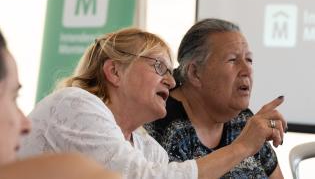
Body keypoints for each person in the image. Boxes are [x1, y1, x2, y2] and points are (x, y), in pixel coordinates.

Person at [19, 27, 286, 179]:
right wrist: (241, 147)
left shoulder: (144, 144)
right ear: (114, 72)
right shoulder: (76, 104)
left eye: (170, 72)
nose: (171, 82)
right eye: (159, 67)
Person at [144, 18, 286, 178]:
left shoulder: (243, 119)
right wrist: (242, 147)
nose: (247, 69)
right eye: (233, 60)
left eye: (249, 60)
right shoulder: (163, 125)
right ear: (195, 73)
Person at [0, 30, 121, 179]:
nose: (26, 125)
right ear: (114, 71)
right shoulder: (75, 102)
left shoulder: (144, 140)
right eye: (13, 97)